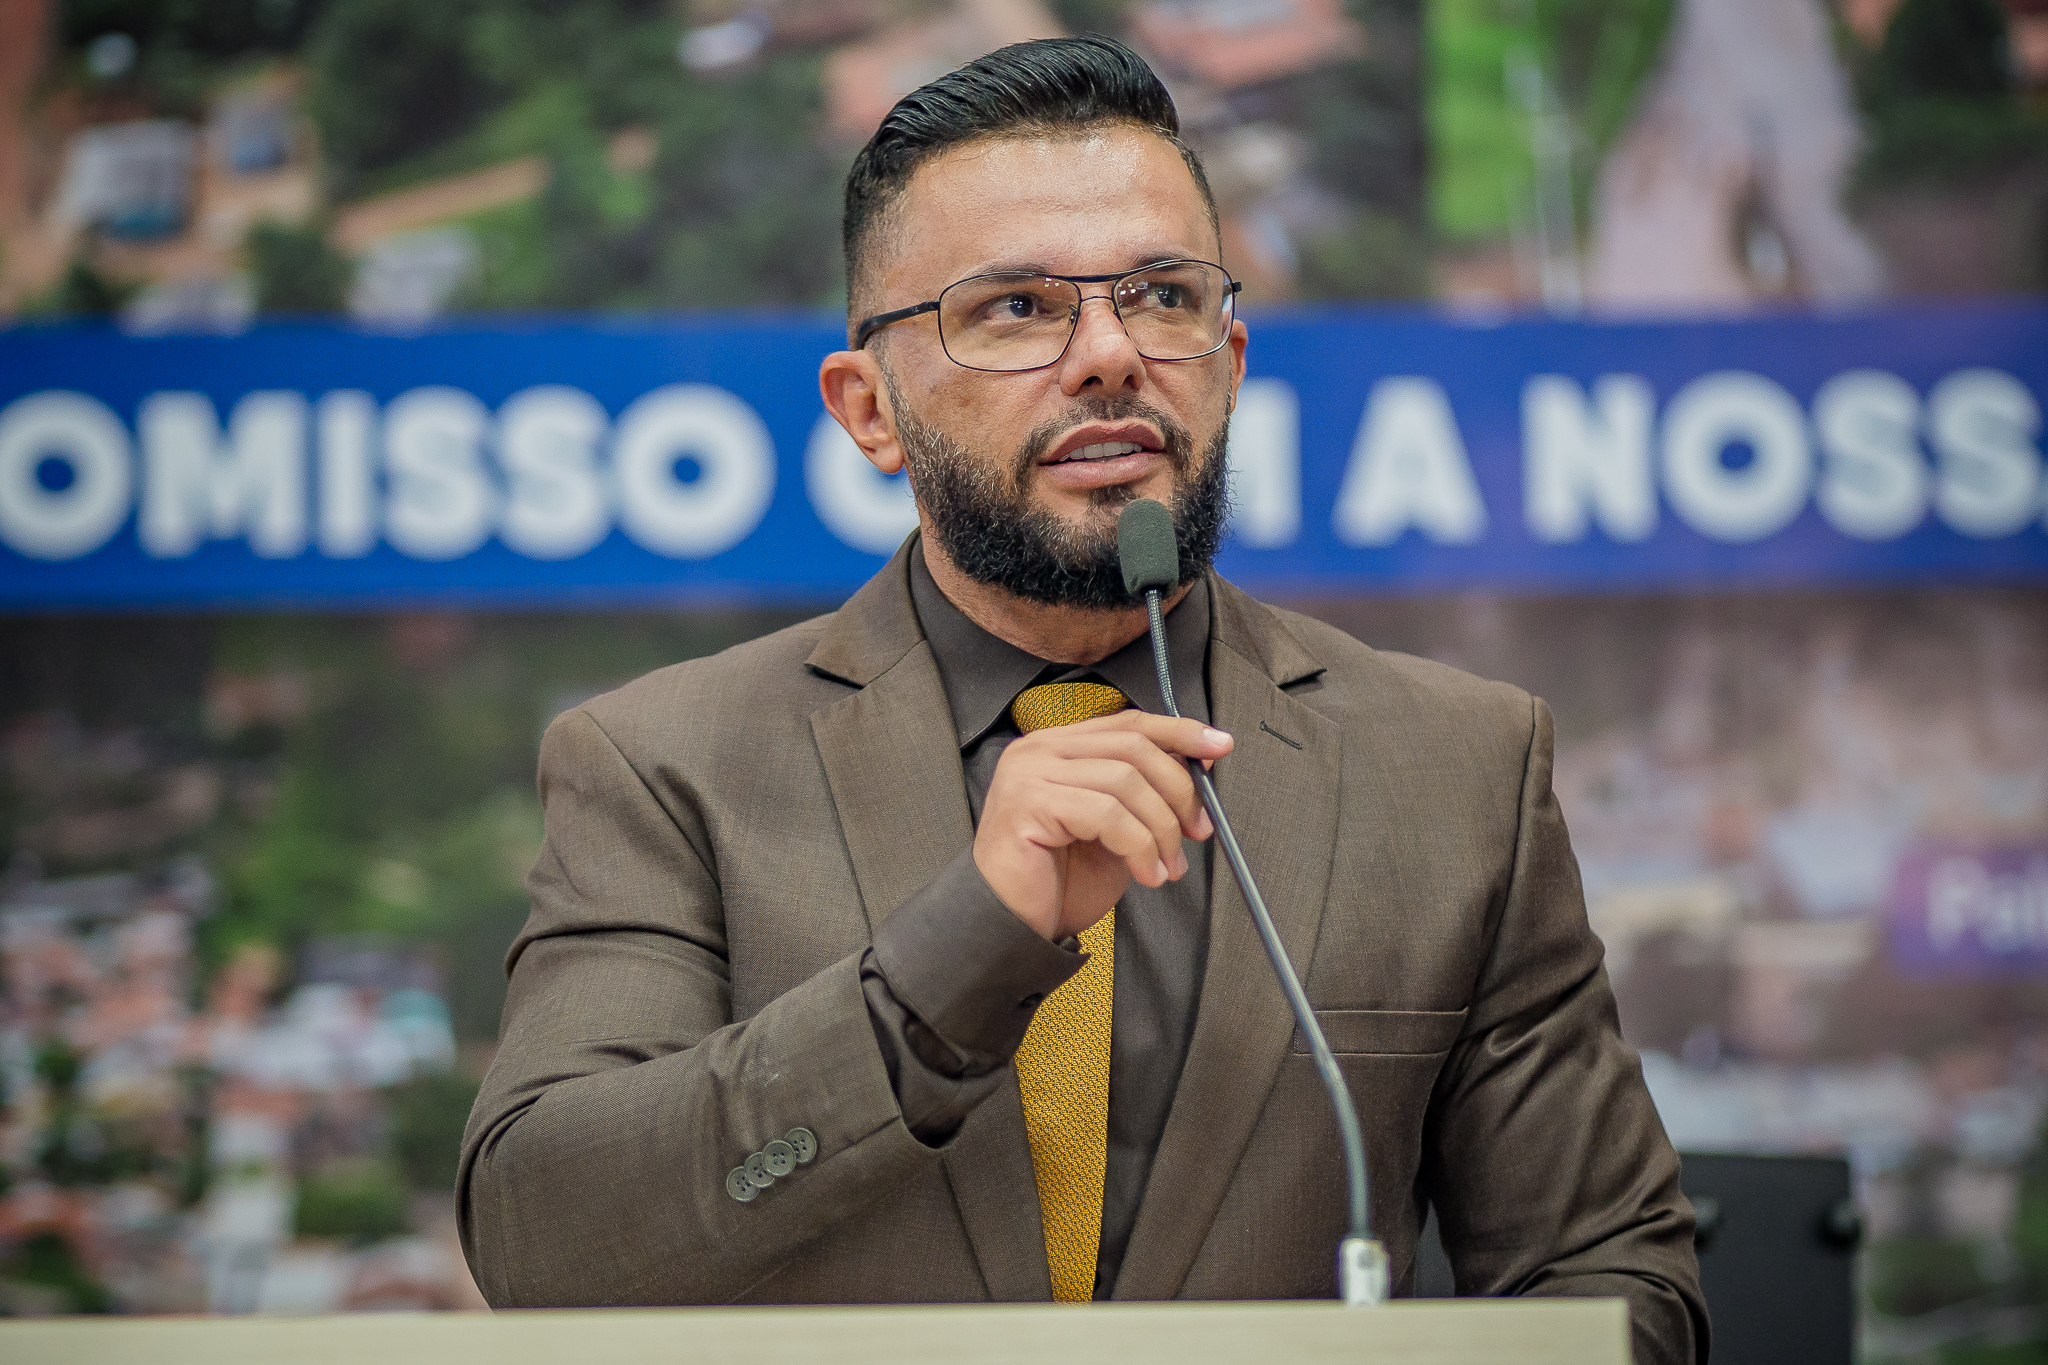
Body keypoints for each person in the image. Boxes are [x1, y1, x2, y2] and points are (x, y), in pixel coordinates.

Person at [459, 36, 1706, 1365]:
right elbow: (549, 1243)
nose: (1111, 353)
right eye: (1016, 308)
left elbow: (1613, 1281)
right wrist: (962, 950)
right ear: (869, 409)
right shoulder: (662, 765)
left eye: (1162, 297)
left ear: (1229, 361)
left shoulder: (1456, 766)